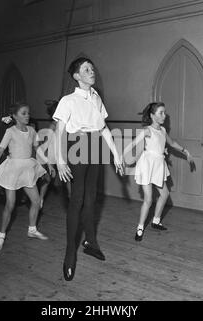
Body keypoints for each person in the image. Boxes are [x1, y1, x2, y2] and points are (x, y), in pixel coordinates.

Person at [53, 57, 124, 281]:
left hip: (96, 147)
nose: (91, 71)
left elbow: (103, 129)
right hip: (78, 147)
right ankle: (69, 255)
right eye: (86, 69)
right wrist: (60, 161)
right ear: (76, 76)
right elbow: (58, 132)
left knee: (92, 200)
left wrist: (116, 154)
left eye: (92, 68)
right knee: (77, 200)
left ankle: (90, 243)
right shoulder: (68, 100)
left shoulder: (96, 97)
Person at [123, 102, 194, 242]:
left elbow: (172, 143)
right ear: (152, 115)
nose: (164, 115)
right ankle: (140, 228)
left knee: (165, 193)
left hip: (158, 165)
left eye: (164, 112)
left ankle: (156, 221)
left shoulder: (162, 130)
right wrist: (121, 158)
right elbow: (132, 144)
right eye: (161, 113)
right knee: (148, 199)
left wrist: (186, 152)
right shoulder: (147, 130)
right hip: (147, 165)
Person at [0, 102, 54, 252]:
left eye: (28, 113)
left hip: (27, 169)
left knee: (36, 201)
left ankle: (32, 229)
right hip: (13, 170)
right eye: (24, 113)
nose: (27, 116)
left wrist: (48, 164)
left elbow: (38, 149)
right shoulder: (10, 131)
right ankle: (1, 235)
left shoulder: (31, 130)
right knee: (10, 205)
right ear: (15, 116)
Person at [36, 100, 71, 201]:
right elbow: (47, 140)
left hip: (62, 152)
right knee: (49, 178)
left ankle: (70, 195)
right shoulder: (54, 124)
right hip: (52, 152)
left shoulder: (65, 123)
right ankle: (41, 198)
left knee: (68, 175)